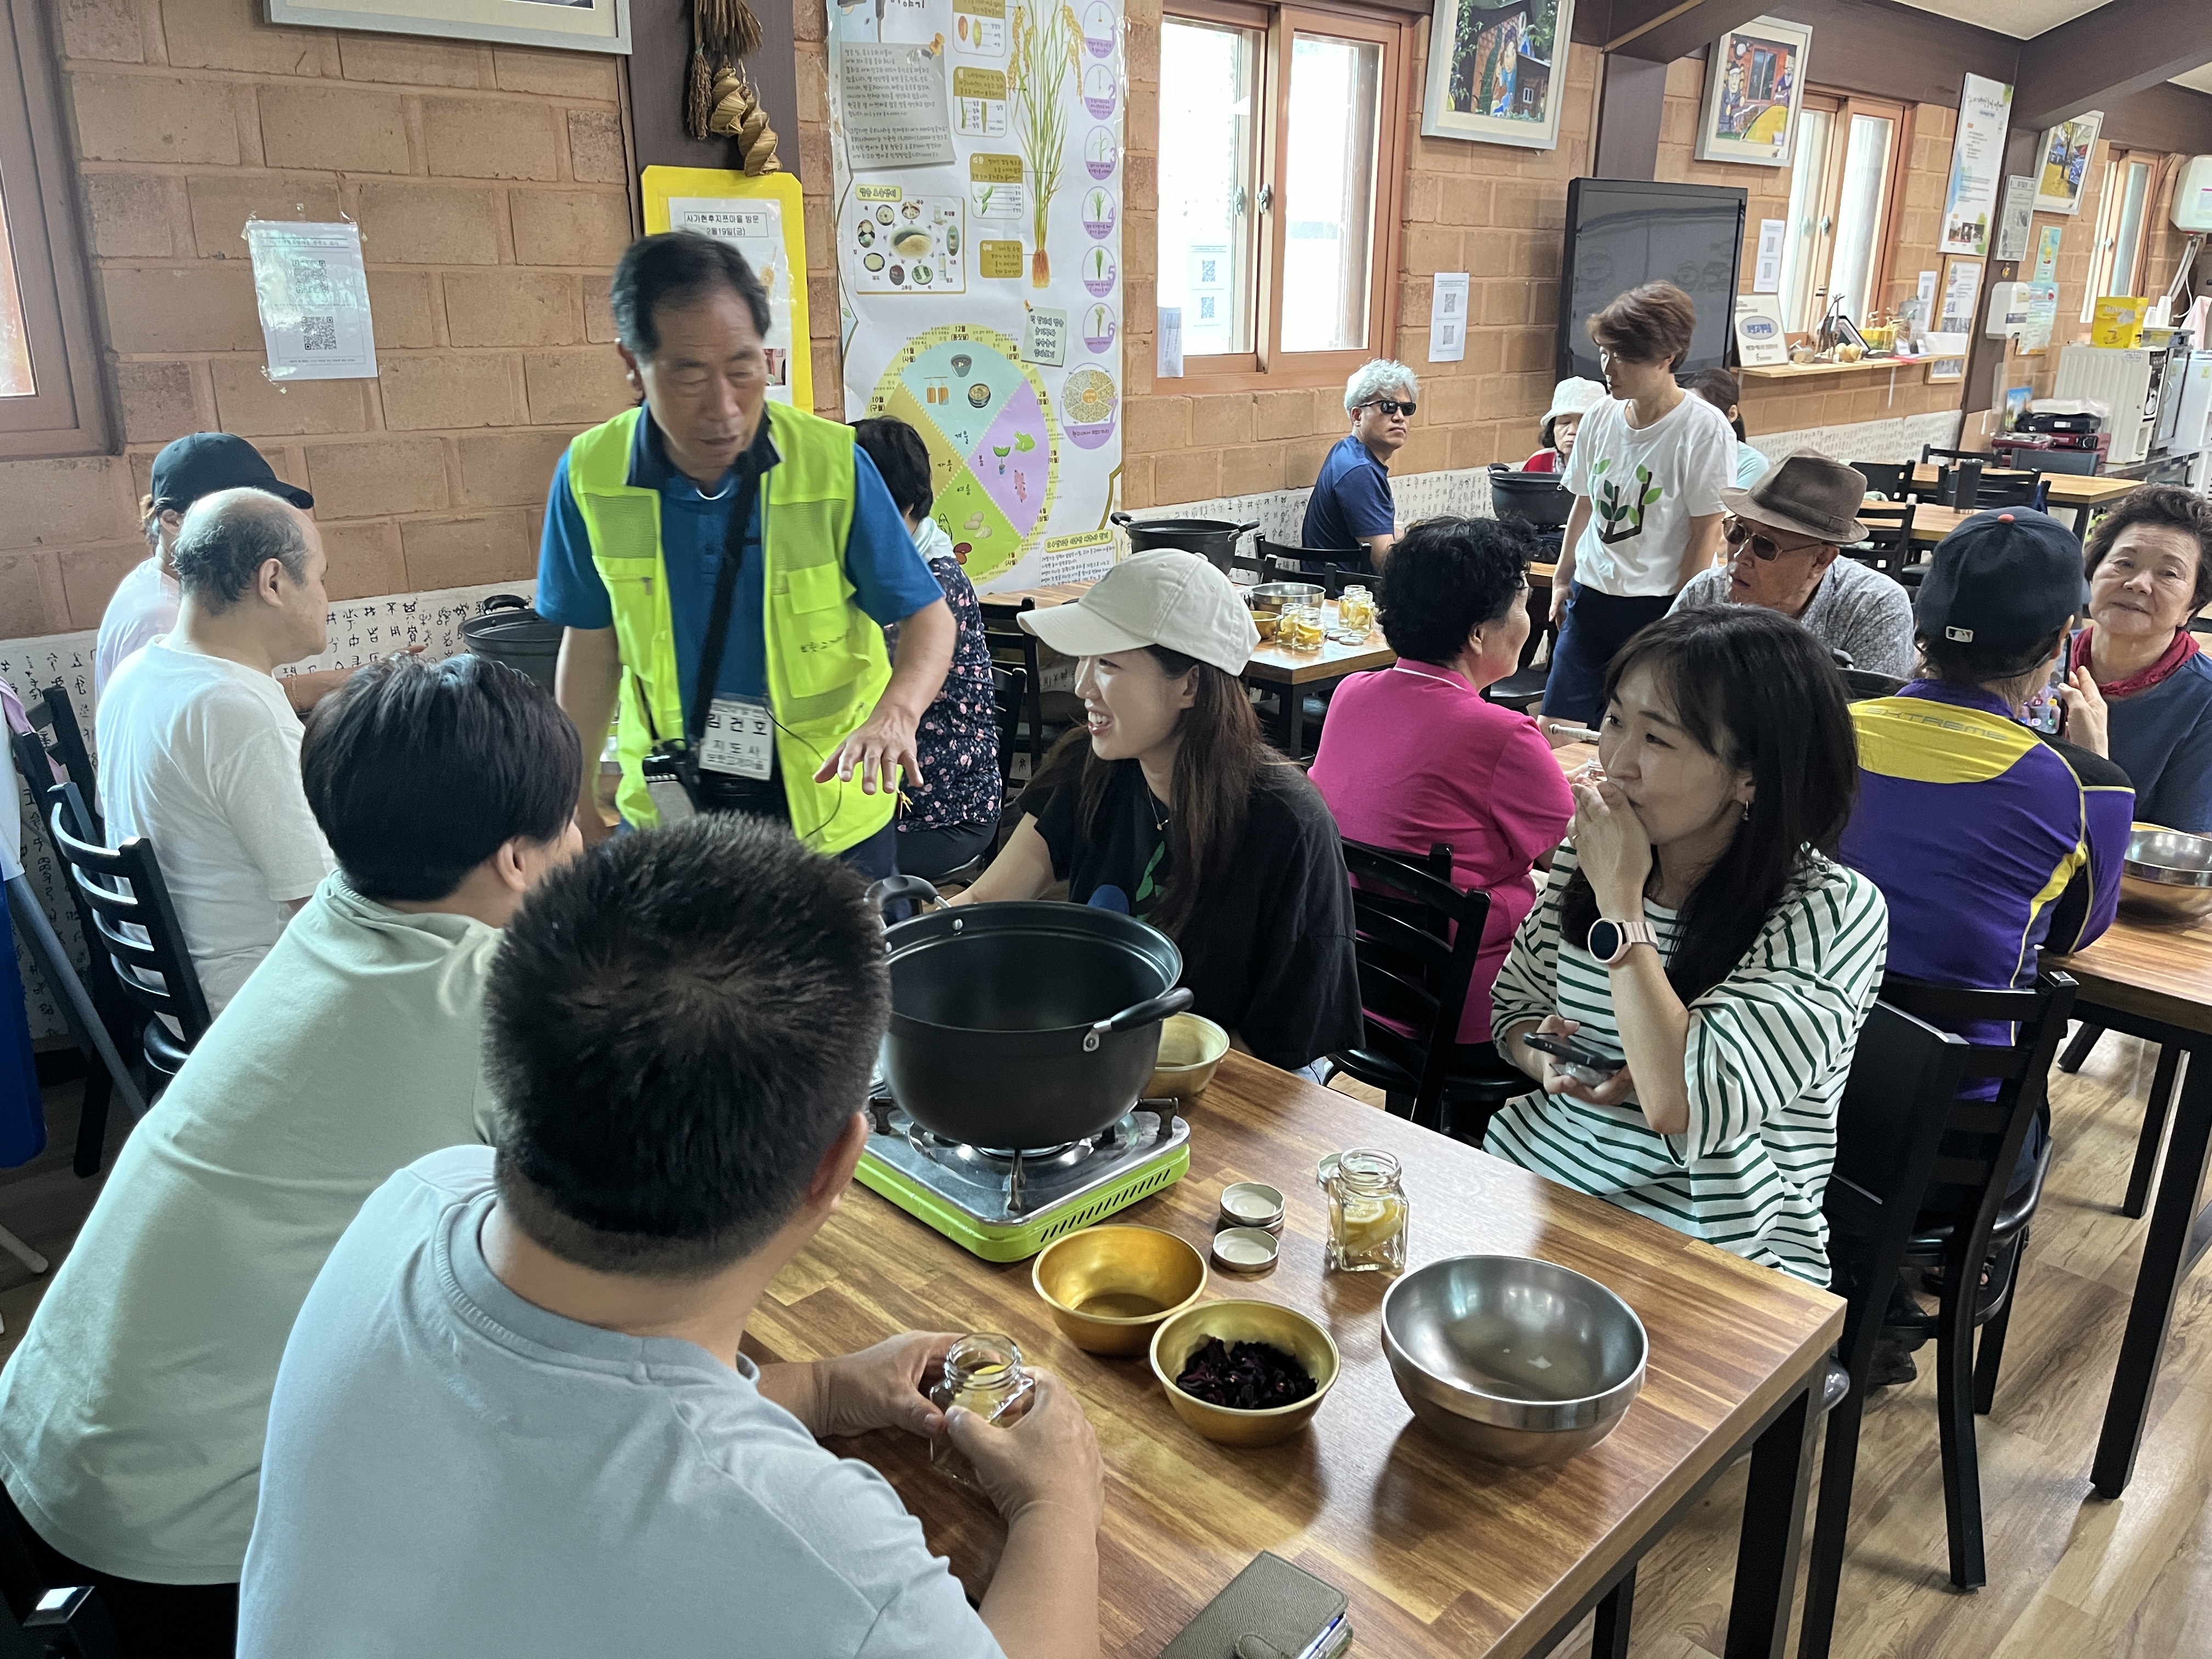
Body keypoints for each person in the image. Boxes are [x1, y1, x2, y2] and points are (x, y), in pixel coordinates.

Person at [237, 816, 1103, 1659]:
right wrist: (1057, 1506)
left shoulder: (415, 1199)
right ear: (838, 1163)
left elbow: (585, 1441)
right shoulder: (827, 1566)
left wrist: (827, 1389)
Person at [0, 655, 584, 1656]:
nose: (583, 843)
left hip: (38, 1463)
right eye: (569, 822)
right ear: (518, 858)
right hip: (169, 1556)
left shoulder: (335, 918)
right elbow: (603, 1335)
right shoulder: (504, 1001)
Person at [1489, 607, 1888, 1287]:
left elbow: (1680, 1100)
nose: (1617, 763)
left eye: (1658, 740)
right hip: (1541, 1188)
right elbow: (1514, 1009)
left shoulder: (1831, 910)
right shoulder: (1588, 856)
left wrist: (1622, 904)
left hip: (1715, 1254)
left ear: (1751, 774)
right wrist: (1544, 1056)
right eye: (1615, 721)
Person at [538, 233, 955, 878]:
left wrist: (898, 713)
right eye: (688, 375)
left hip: (829, 815)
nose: (725, 409)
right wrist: (574, 793)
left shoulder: (832, 465)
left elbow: (930, 615)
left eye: (743, 369)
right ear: (633, 362)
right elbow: (592, 645)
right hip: (675, 808)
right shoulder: (592, 474)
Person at [1838, 507, 2132, 1385]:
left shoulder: (1828, 730)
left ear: (1921, 628)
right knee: (2024, 1088)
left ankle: (1859, 1279)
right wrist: (2100, 758)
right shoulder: (2082, 785)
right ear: (2061, 642)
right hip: (1945, 1149)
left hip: (1793, 1094)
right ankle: (1918, 1278)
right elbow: (2077, 936)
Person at [954, 551, 1362, 1073]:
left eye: (1107, 663)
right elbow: (987, 899)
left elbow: (1280, 1045)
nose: (1082, 688)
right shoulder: (1091, 766)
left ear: (1189, 684)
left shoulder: (1288, 823)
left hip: (1240, 1076)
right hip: (1109, 1056)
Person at [1310, 517, 1572, 1047]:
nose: (1531, 620)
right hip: (1462, 1006)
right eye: (1522, 606)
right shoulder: (1502, 736)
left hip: (1356, 981)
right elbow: (1579, 860)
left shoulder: (1351, 693)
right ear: (1478, 633)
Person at [94, 489, 336, 1014]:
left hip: (170, 988)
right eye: (319, 578)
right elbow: (324, 914)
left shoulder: (138, 671)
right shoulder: (238, 709)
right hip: (243, 1005)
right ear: (273, 582)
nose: (325, 599)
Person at [1542, 283, 1735, 732]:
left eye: (1623, 356)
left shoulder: (1702, 429)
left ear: (1666, 357)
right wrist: (1562, 577)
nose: (1609, 367)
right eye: (1605, 353)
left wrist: (1681, 618)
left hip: (1656, 606)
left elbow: (1706, 530)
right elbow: (1585, 505)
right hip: (1591, 597)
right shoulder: (1601, 417)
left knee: (1636, 731)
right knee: (1554, 729)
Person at [98, 434, 378, 709]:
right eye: (237, 511)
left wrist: (353, 681)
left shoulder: (159, 584)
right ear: (172, 520)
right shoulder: (162, 616)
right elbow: (212, 710)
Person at [853, 416, 1004, 878]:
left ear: (910, 506)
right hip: (893, 798)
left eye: (871, 506)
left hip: (943, 813)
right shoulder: (890, 569)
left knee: (813, 878)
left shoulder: (931, 584)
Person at [1668, 453, 1915, 679]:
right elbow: (1661, 680)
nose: (1741, 555)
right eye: (1737, 532)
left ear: (1820, 560)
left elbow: (1867, 717)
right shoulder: (1704, 593)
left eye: (1765, 546)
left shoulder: (1874, 608)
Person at [2070, 484, 2212, 831]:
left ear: (2192, 606)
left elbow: (2179, 846)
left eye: (2168, 573)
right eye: (2124, 562)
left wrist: (2095, 768)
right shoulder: (2039, 658)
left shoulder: (2203, 700)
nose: (2138, 583)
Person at [1300, 360, 1418, 566]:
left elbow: (1383, 532)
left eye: (1407, 409)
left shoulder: (1347, 451)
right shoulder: (1359, 471)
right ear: (1357, 415)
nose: (1399, 417)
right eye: (1388, 407)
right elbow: (1386, 565)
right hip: (1344, 596)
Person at [1683, 367, 1770, 487]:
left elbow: (1731, 505)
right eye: (1688, 410)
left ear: (1732, 414)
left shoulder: (1753, 463)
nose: (1692, 420)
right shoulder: (1680, 450)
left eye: (1703, 413)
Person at [1520, 377, 1606, 473]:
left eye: (1583, 424)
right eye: (1565, 422)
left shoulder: (1615, 467)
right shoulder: (1538, 463)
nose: (1573, 431)